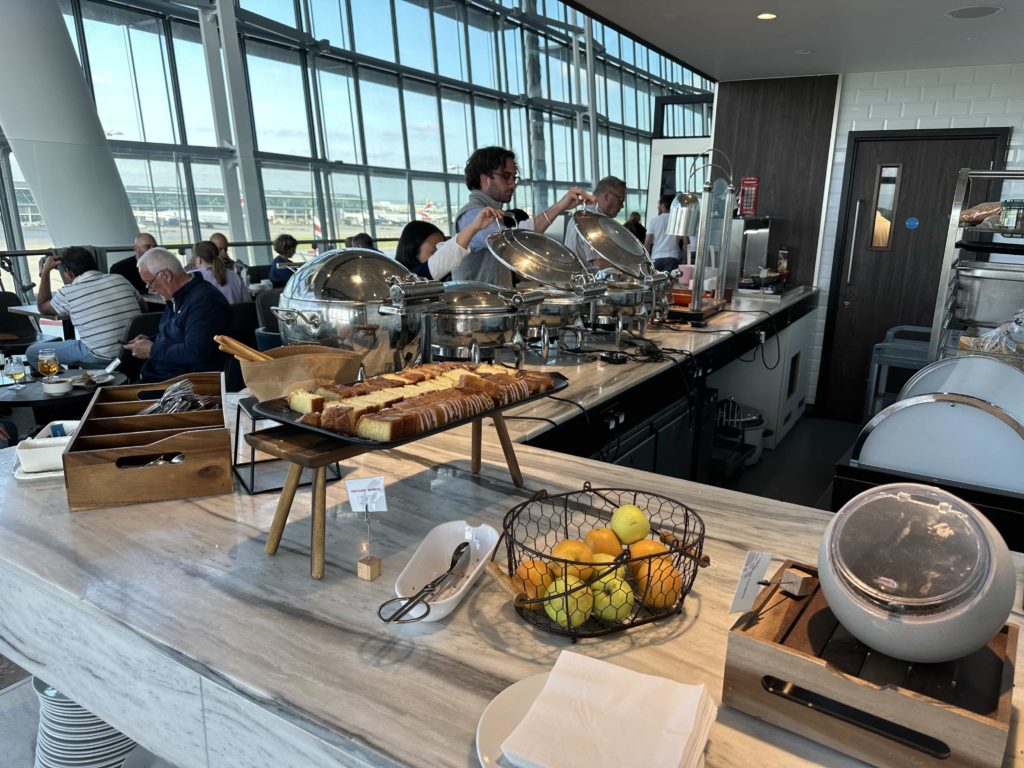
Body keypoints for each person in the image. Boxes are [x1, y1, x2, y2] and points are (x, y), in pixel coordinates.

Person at [451, 146, 594, 287]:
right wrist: (559, 206)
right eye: (506, 176)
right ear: (484, 179)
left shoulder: (492, 213)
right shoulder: (472, 215)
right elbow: (515, 241)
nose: (512, 184)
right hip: (478, 307)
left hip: (496, 304)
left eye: (514, 177)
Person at [124, 248, 232, 382]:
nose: (150, 289)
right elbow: (178, 335)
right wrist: (152, 340)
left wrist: (153, 349)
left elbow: (195, 351)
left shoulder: (205, 301)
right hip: (163, 376)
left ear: (166, 275)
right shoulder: (176, 298)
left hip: (182, 385)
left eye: (149, 283)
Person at [28, 246, 142, 368]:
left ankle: (63, 382)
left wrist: (45, 272)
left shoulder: (69, 292)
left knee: (34, 353)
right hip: (135, 351)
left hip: (101, 356)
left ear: (69, 272)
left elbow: (42, 306)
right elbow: (143, 308)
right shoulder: (120, 279)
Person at [394, 207, 503, 280]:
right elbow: (442, 260)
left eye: (442, 249)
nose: (439, 255)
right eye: (434, 252)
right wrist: (474, 227)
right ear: (413, 250)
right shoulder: (405, 280)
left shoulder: (444, 282)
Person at [563, 175, 627, 271]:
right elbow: (601, 267)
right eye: (620, 200)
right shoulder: (595, 221)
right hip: (589, 284)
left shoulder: (579, 217)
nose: (622, 206)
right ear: (606, 196)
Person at [645, 193, 688, 273]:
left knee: (655, 284)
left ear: (663, 205)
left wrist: (645, 260)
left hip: (656, 259)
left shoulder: (653, 221)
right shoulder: (679, 221)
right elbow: (686, 243)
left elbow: (647, 243)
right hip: (672, 258)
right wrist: (685, 259)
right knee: (670, 284)